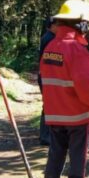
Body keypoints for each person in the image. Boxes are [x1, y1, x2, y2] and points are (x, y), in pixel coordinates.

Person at [40, 0, 89, 178]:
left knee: (55, 158)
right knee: (78, 159)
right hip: (78, 117)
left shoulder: (50, 47)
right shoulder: (77, 50)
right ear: (81, 25)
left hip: (55, 115)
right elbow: (87, 92)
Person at [38, 17, 58, 146]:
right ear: (51, 26)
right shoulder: (50, 38)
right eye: (58, 24)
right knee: (49, 106)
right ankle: (45, 136)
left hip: (44, 76)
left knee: (49, 105)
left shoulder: (47, 37)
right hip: (46, 76)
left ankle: (47, 135)